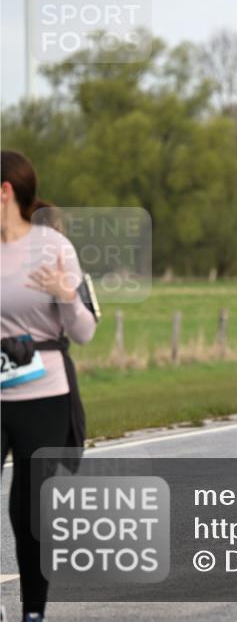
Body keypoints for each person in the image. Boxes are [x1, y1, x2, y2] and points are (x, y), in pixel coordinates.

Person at [2, 149, 98, 622]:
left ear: (5, 191)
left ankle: (33, 612)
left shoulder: (54, 247)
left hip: (43, 395)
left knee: (29, 511)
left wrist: (65, 297)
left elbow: (83, 332)